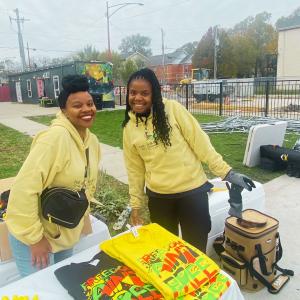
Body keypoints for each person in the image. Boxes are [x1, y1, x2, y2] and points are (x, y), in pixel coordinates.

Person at [122, 68, 255, 253]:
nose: (138, 98)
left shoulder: (173, 110)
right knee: (167, 251)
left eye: (145, 93)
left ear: (155, 93)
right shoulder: (129, 128)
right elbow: (135, 170)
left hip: (192, 194)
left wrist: (226, 172)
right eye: (133, 92)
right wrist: (136, 205)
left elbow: (200, 143)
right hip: (159, 198)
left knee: (196, 250)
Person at [6, 75, 101, 277]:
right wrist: (35, 239)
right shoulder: (53, 139)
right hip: (35, 235)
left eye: (90, 104)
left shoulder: (92, 141)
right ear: (64, 111)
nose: (87, 109)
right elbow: (23, 190)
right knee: (41, 291)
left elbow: (86, 184)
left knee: (62, 284)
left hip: (64, 230)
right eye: (77, 105)